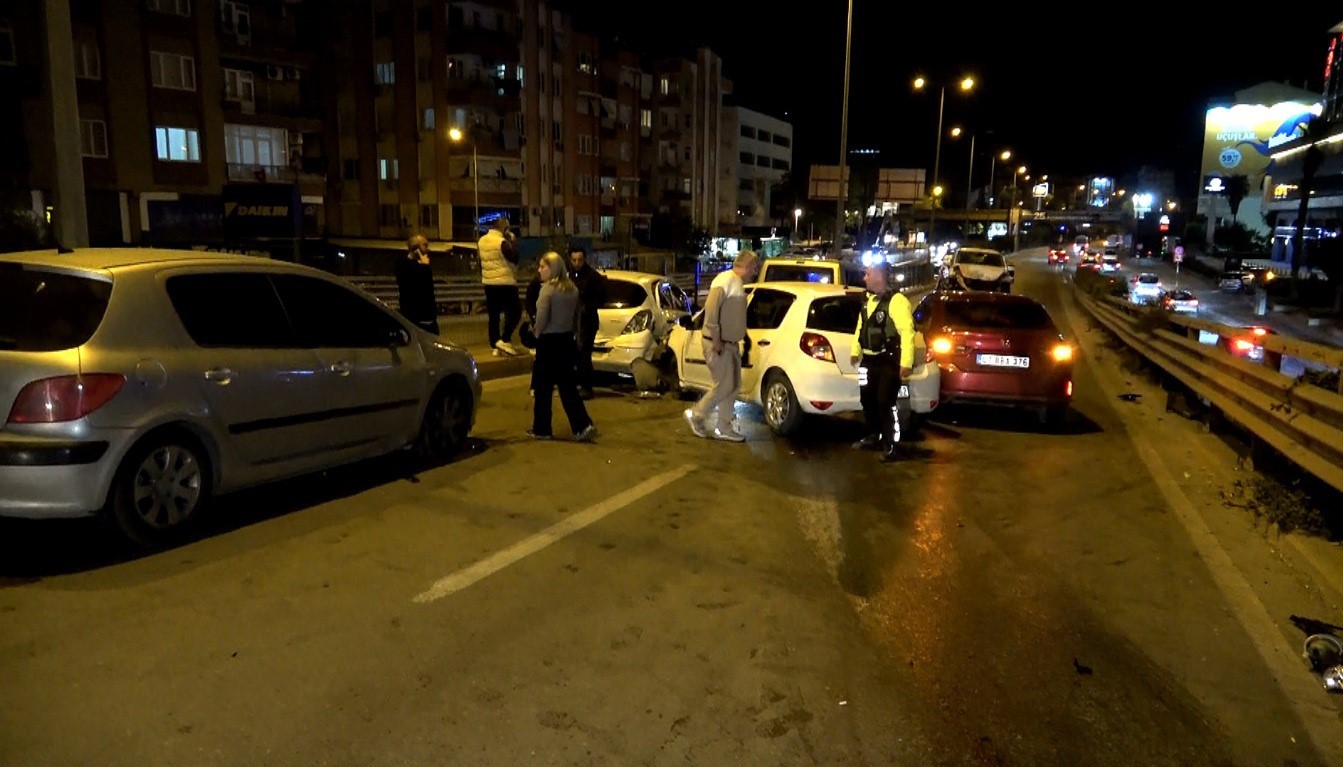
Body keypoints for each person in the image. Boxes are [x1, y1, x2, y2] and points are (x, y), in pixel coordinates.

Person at [683, 250, 759, 442]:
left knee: (733, 385)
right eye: (754, 267)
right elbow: (711, 312)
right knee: (725, 384)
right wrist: (716, 340)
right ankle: (697, 414)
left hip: (730, 344)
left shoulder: (736, 283)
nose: (755, 271)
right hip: (719, 344)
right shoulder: (725, 280)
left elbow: (733, 315)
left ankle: (724, 427)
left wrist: (743, 337)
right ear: (746, 266)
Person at [850, 261, 915, 462]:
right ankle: (873, 434)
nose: (864, 278)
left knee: (884, 401)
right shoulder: (867, 300)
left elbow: (907, 333)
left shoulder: (897, 301)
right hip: (868, 361)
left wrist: (906, 363)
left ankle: (890, 444)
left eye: (867, 274)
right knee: (867, 399)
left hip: (888, 361)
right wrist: (855, 351)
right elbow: (861, 327)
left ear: (878, 276)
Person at [529, 251, 597, 442]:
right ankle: (582, 425)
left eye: (543, 266)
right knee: (568, 387)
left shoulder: (547, 290)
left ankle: (542, 429)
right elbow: (577, 317)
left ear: (553, 268)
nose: (539, 270)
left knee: (543, 388)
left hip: (549, 342)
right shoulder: (572, 289)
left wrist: (536, 334)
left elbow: (541, 319)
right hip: (566, 341)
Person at [478, 216, 522, 356]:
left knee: (494, 315)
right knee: (515, 311)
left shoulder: (482, 241)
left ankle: (495, 343)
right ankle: (505, 338)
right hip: (505, 282)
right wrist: (513, 242)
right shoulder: (502, 242)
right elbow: (514, 258)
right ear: (504, 228)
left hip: (489, 283)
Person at [568, 245, 607, 399]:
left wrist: (587, 306)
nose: (577, 263)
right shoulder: (570, 275)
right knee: (574, 355)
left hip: (587, 322)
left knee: (584, 354)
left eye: (580, 260)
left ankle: (586, 387)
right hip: (573, 321)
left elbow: (601, 299)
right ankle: (576, 384)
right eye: (574, 260)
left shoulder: (593, 277)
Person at [396, 233, 439, 334]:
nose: (428, 249)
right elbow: (423, 288)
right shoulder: (405, 265)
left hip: (427, 317)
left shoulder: (419, 264)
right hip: (418, 318)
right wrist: (425, 267)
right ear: (416, 248)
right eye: (424, 245)